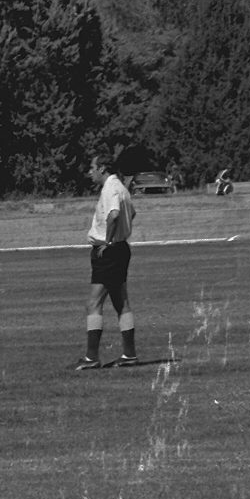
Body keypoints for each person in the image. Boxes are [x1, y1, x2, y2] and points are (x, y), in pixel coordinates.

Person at [74, 155, 137, 370]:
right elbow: (132, 213)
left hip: (108, 252)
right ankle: (129, 354)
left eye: (92, 168)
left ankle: (92, 358)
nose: (90, 172)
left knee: (93, 303)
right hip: (121, 249)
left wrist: (108, 241)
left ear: (102, 168)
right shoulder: (121, 187)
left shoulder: (110, 188)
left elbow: (114, 215)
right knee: (121, 303)